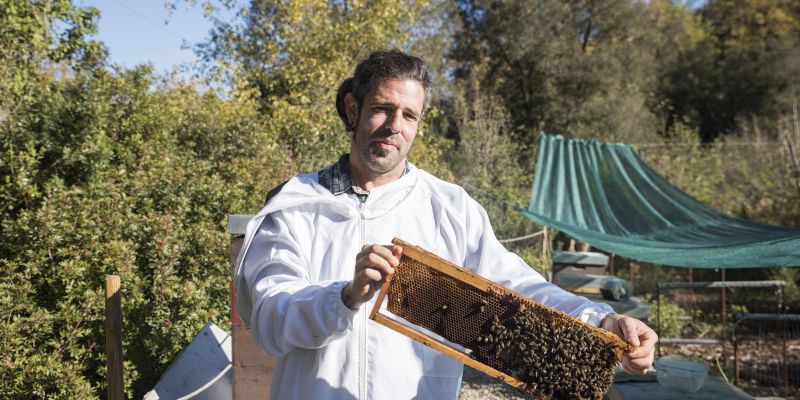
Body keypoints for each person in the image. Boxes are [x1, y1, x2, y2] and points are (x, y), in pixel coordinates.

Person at [234, 49, 657, 400]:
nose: (395, 126)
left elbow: (519, 290)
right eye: (383, 108)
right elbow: (270, 320)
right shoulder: (296, 205)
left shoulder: (451, 207)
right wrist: (345, 296)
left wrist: (600, 321)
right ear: (352, 108)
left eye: (409, 115)